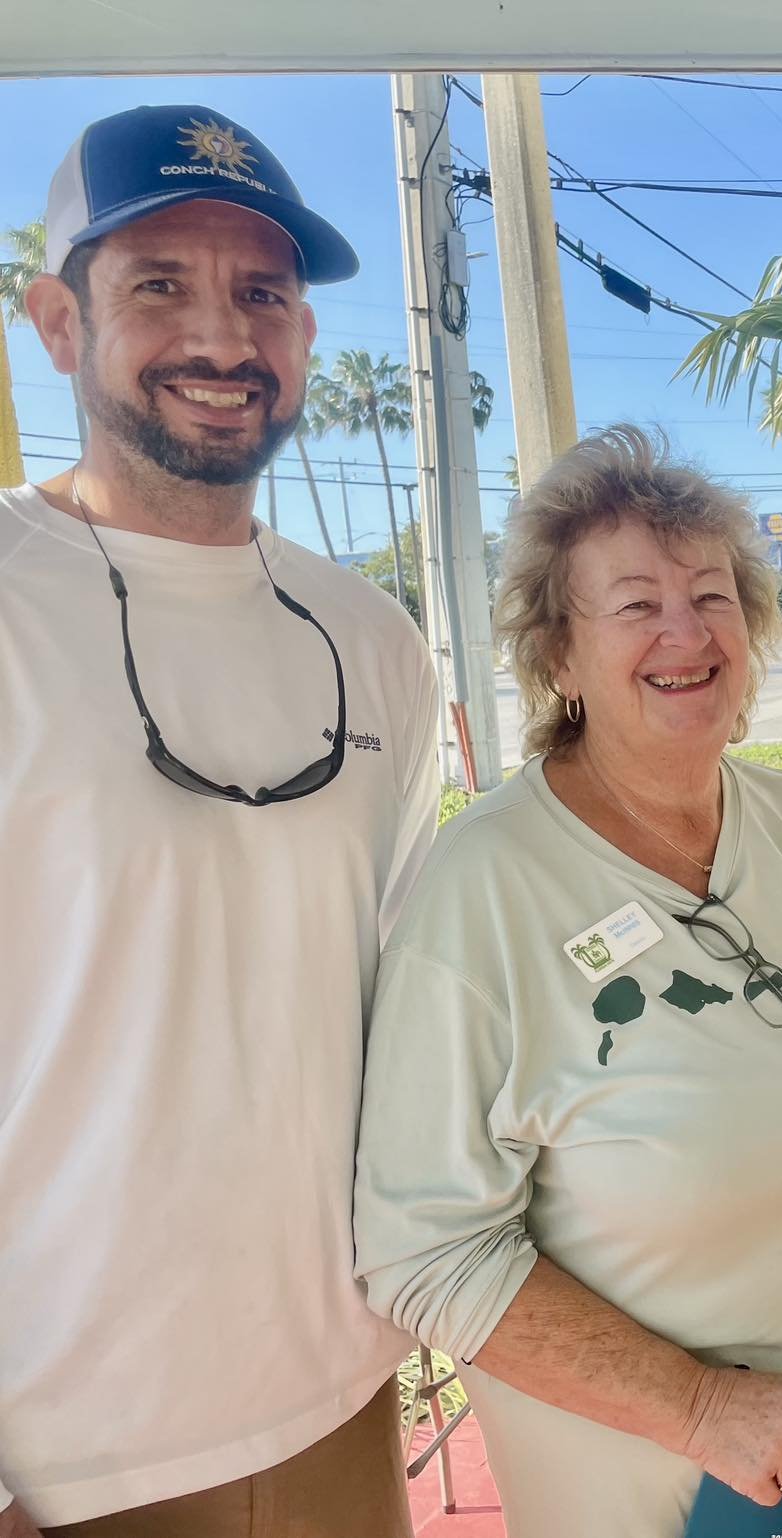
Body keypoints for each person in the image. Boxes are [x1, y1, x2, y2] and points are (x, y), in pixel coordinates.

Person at [352, 425, 782, 1536]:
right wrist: (699, 1408)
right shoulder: (486, 885)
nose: (685, 631)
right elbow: (423, 1249)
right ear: (557, 655)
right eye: (635, 604)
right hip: (634, 1491)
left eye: (711, 594)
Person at [0, 106, 438, 1538]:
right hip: (64, 1445)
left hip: (338, 1385)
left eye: (263, 292)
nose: (222, 336)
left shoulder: (376, 641)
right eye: (158, 286)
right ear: (57, 321)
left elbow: (411, 1006)